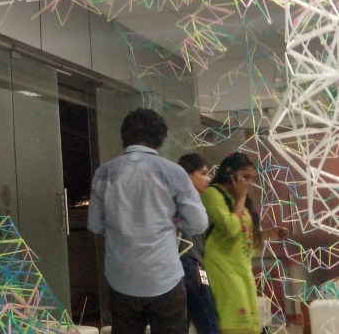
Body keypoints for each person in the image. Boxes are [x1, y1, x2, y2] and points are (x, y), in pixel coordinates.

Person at [88, 108, 208, 334]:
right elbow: (199, 223)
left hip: (121, 277)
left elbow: (95, 225)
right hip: (164, 275)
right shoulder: (173, 172)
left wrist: (120, 228)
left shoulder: (104, 173)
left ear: (124, 136)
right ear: (160, 138)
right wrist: (177, 223)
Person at [201, 152, 288, 334]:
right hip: (222, 268)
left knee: (249, 324)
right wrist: (241, 199)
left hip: (241, 269)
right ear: (229, 173)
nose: (248, 183)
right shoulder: (213, 194)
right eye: (245, 177)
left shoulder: (235, 199)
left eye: (251, 178)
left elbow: (245, 242)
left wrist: (269, 234)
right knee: (234, 322)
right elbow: (231, 228)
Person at [176, 153, 219, 334]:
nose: (208, 179)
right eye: (203, 173)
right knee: (208, 322)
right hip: (189, 262)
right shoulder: (184, 201)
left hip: (189, 264)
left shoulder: (189, 200)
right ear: (187, 175)